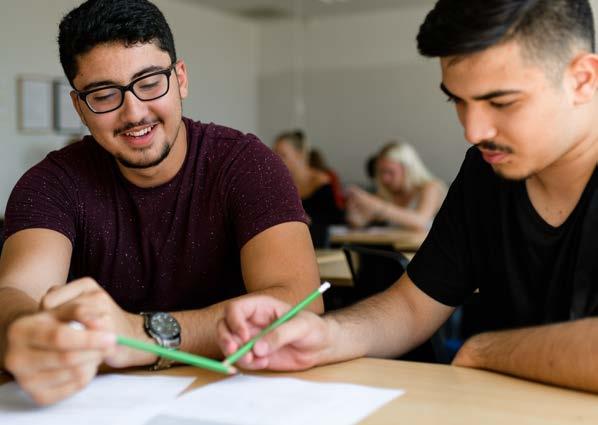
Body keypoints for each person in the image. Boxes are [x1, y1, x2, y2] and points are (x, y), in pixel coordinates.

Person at [218, 0, 598, 393]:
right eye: (458, 101)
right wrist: (324, 335)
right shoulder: (486, 171)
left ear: (582, 79)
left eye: (501, 102)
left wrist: (485, 351)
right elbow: (413, 305)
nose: (473, 130)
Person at [0, 0, 322, 405]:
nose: (134, 113)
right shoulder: (50, 183)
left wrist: (139, 336)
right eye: (103, 95)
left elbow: (302, 304)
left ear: (181, 78)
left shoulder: (247, 164)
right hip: (95, 406)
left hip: (236, 396)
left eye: (150, 83)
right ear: (79, 107)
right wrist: (24, 331)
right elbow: (15, 292)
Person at [345, 142, 446, 230]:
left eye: (390, 172)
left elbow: (421, 221)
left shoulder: (431, 187)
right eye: (381, 172)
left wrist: (378, 206)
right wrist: (354, 209)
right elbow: (359, 222)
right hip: (396, 249)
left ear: (408, 170)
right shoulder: (387, 193)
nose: (385, 178)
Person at [273, 131, 345, 247]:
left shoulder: (322, 182)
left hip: (317, 244)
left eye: (283, 155)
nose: (276, 160)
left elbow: (335, 219)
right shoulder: (278, 184)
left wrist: (308, 220)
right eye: (274, 155)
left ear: (299, 154)